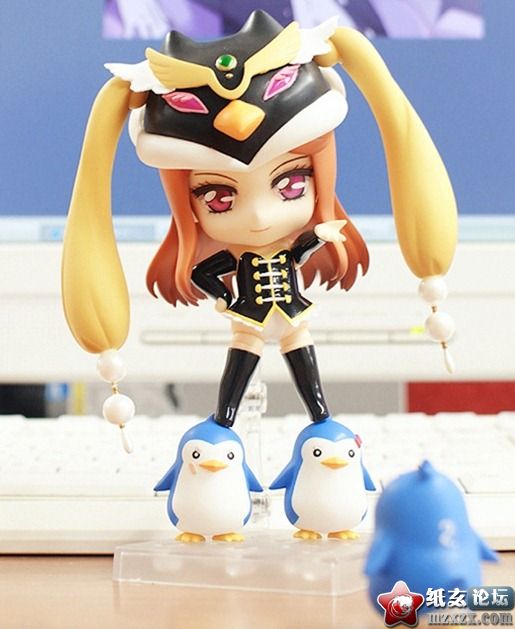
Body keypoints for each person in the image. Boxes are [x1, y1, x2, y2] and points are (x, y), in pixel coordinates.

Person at [62, 10, 456, 483]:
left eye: (290, 185)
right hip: (247, 315)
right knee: (241, 361)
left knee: (301, 356)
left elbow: (302, 250)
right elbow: (205, 273)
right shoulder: (231, 258)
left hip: (289, 310)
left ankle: (320, 416)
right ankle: (223, 421)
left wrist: (320, 236)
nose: (259, 217)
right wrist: (223, 296)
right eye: (219, 197)